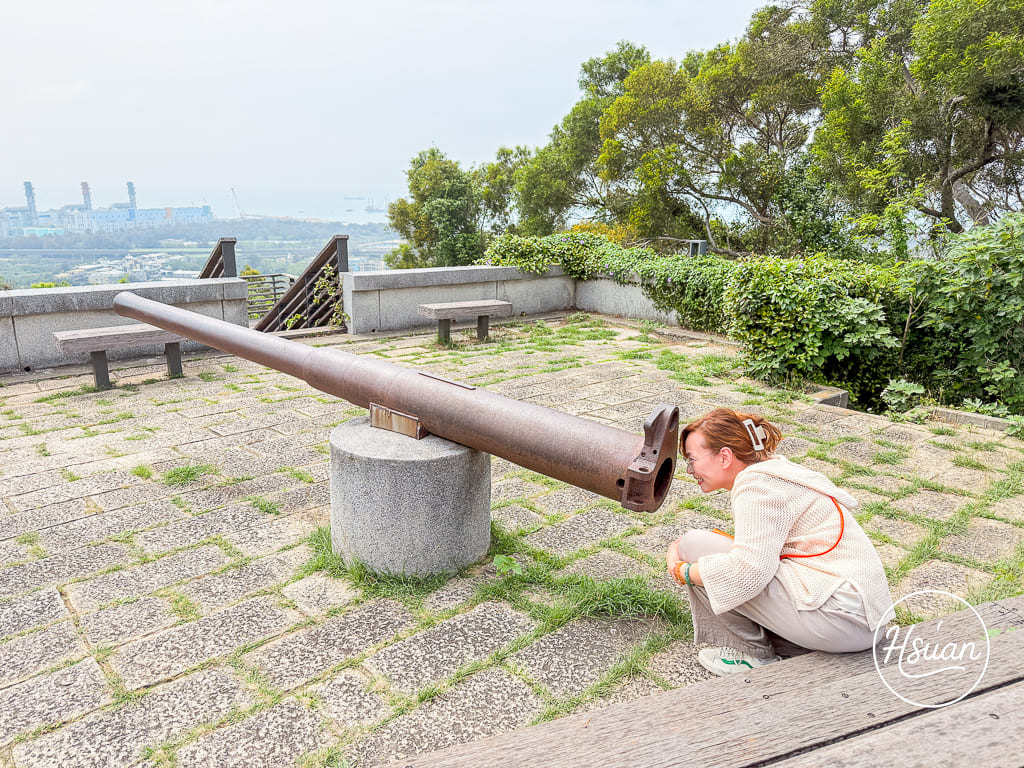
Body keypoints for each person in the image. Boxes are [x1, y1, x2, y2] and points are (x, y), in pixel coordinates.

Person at [666, 408, 894, 676]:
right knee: (704, 546)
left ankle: (754, 656)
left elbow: (748, 573)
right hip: (863, 620)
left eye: (692, 460)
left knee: (694, 547)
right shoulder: (776, 471)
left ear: (725, 456)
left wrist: (682, 570)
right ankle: (789, 641)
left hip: (843, 621)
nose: (690, 470)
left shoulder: (757, 487)